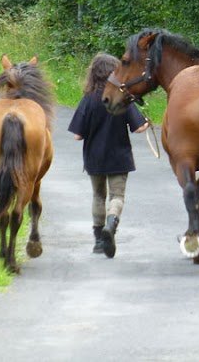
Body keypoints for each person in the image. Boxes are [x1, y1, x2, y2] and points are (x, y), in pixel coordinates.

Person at [68, 53, 149, 258]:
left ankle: (97, 241)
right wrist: (146, 121)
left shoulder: (88, 100)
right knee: (117, 196)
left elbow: (78, 135)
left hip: (94, 157)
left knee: (98, 195)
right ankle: (111, 226)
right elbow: (139, 129)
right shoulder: (122, 98)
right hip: (119, 156)